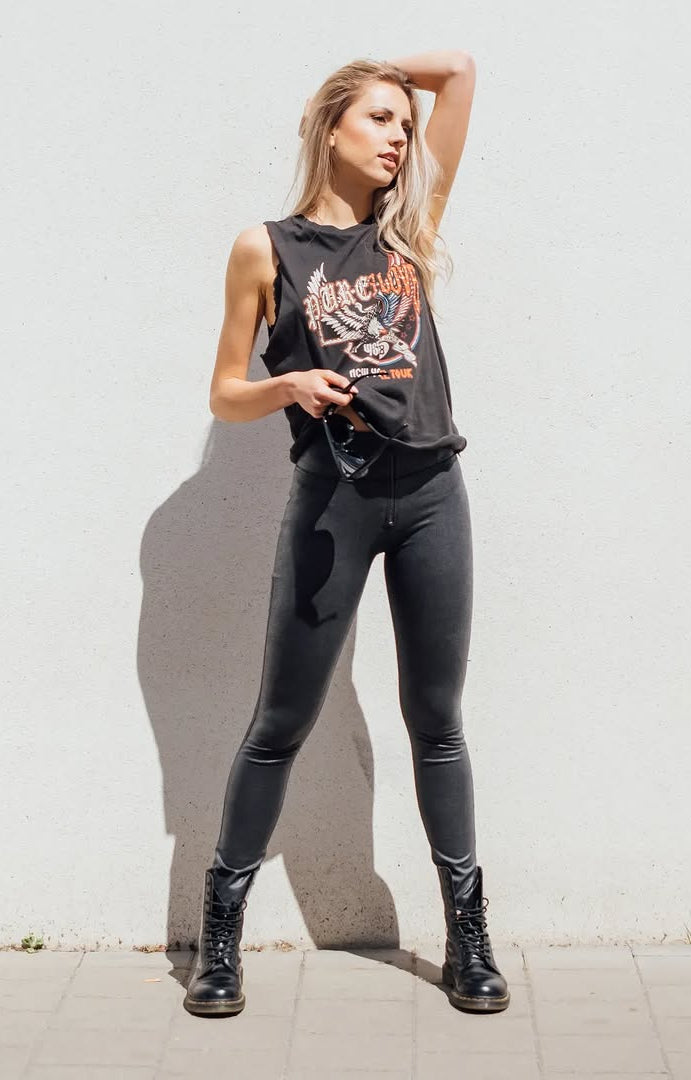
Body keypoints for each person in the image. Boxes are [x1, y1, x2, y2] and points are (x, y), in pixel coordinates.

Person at [183, 50, 510, 1018]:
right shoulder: (266, 248)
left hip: (432, 495)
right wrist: (285, 385)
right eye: (376, 120)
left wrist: (387, 75)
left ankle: (468, 937)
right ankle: (221, 940)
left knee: (438, 722)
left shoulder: (409, 234)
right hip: (335, 501)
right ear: (330, 129)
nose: (398, 137)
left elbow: (456, 74)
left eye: (402, 128)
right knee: (280, 722)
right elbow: (225, 395)